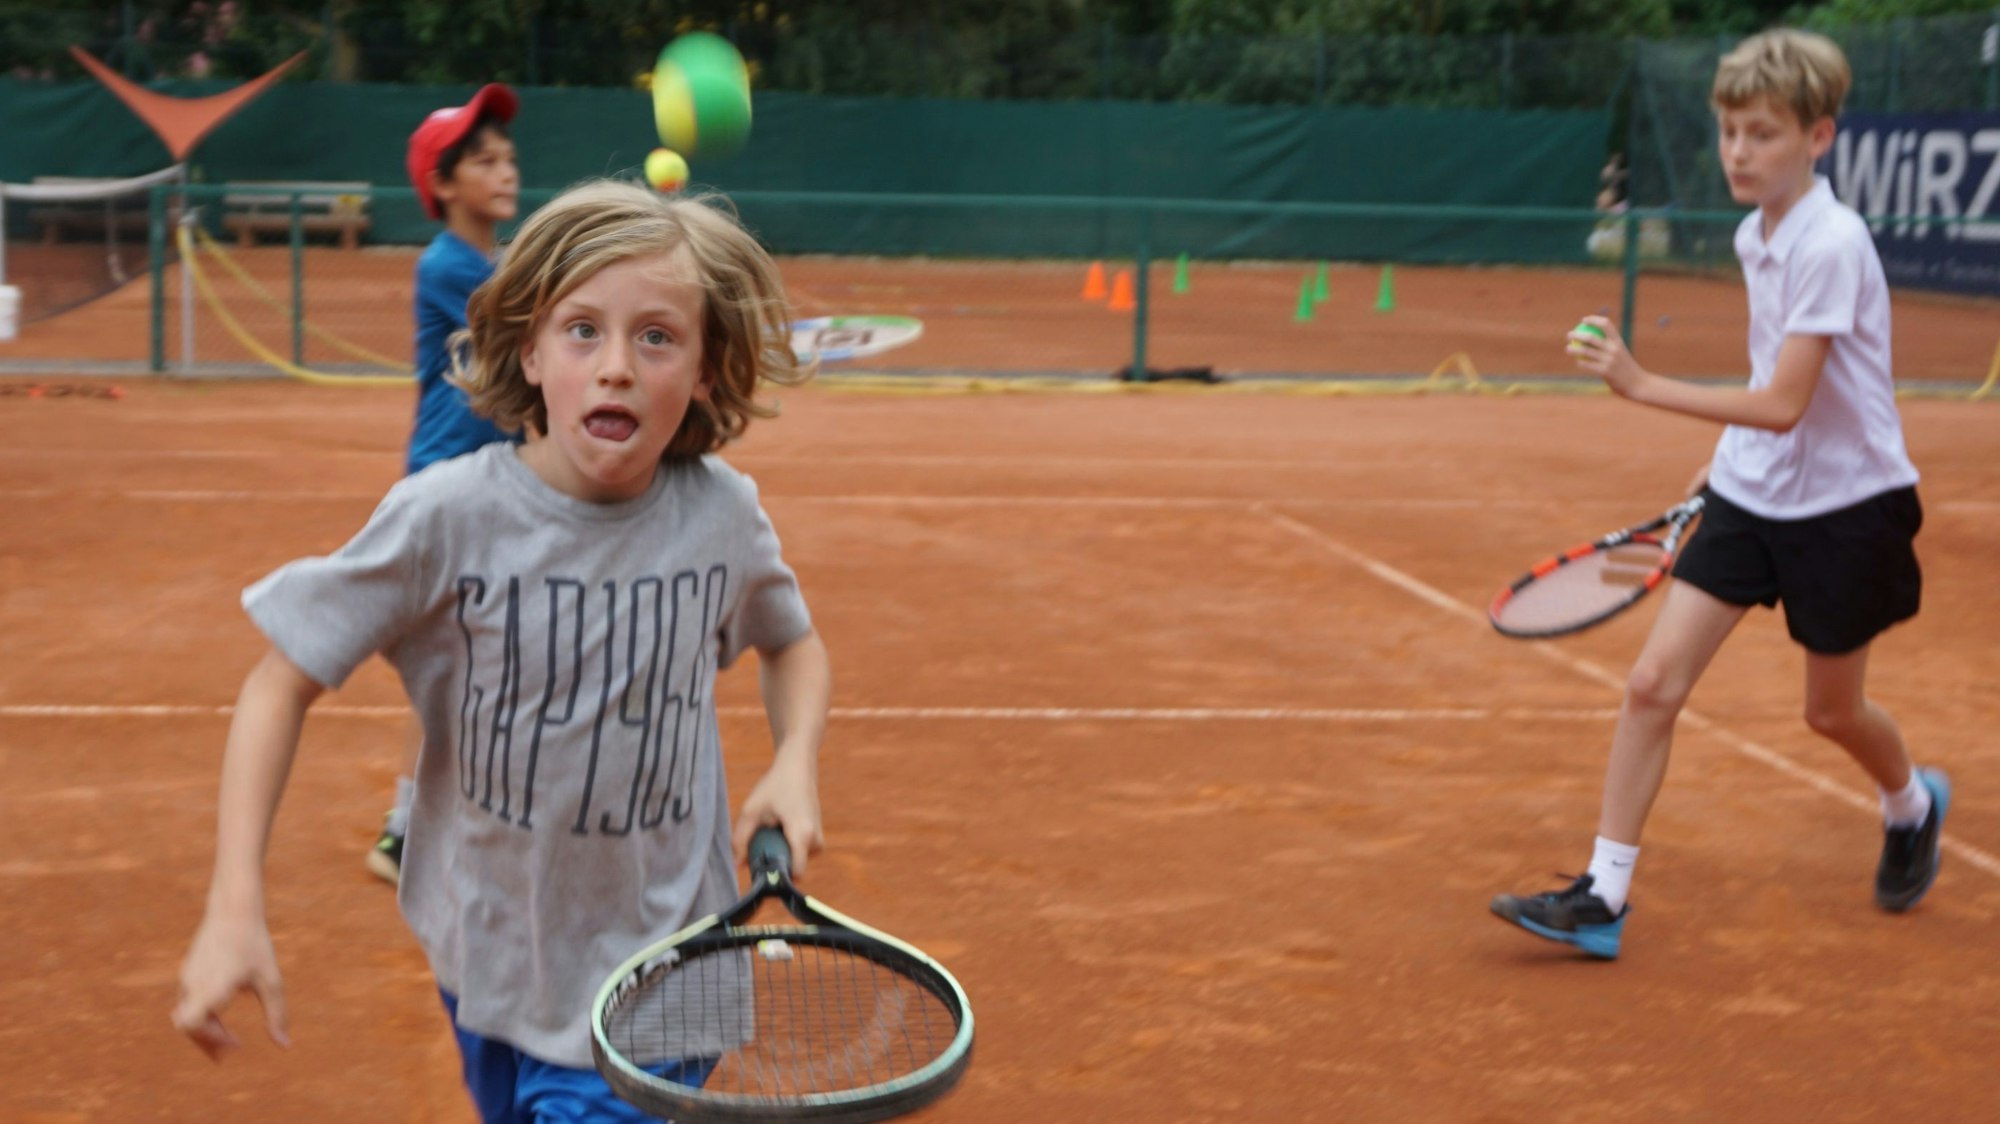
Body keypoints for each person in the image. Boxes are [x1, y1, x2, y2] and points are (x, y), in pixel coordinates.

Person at [172, 180, 830, 1122]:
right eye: (582, 331)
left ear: (706, 372)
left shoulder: (720, 516)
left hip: (660, 966)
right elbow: (280, 681)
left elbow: (794, 647)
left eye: (656, 336)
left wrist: (796, 761)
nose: (615, 367)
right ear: (525, 347)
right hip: (489, 951)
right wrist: (234, 902)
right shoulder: (448, 519)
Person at [1492, 28, 1947, 960]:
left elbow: (1787, 401)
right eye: (1731, 131)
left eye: (1763, 133)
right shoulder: (1757, 232)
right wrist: (1724, 456)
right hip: (1754, 492)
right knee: (1653, 682)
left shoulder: (1832, 242)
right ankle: (1603, 896)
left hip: (1846, 510)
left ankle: (1910, 802)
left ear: (1818, 138)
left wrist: (1641, 382)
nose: (1739, 152)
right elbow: (1766, 384)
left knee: (1830, 712)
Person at [369, 82, 525, 885]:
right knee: (462, 663)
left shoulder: (493, 260)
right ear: (442, 185)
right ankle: (408, 829)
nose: (505, 172)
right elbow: (528, 320)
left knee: (466, 663)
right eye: (484, 161)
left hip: (491, 484)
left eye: (508, 158)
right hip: (448, 486)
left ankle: (411, 823)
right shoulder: (450, 265)